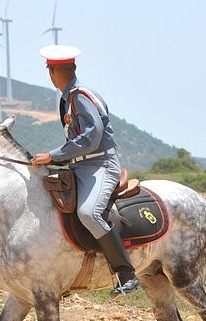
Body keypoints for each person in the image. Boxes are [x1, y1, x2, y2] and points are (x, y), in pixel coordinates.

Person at [31, 45, 140, 297]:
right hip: (81, 166)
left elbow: (92, 137)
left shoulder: (80, 96)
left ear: (53, 72)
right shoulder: (69, 98)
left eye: (50, 70)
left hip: (99, 165)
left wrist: (53, 155)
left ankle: (127, 274)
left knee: (88, 213)